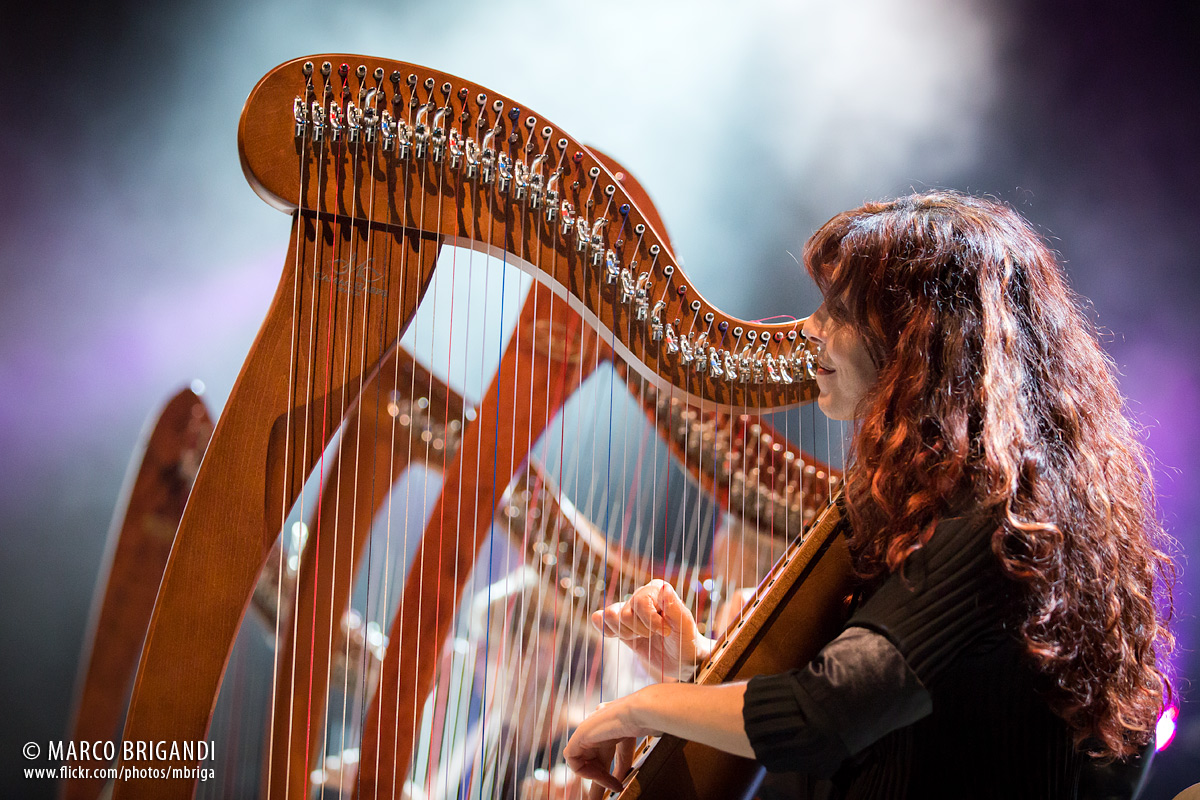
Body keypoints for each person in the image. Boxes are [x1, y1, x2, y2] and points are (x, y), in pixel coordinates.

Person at [562, 191, 1175, 798]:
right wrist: (696, 665)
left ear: (916, 339)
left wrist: (646, 706)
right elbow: (862, 738)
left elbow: (825, 717)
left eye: (838, 310)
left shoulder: (992, 515)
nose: (808, 326)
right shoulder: (933, 499)